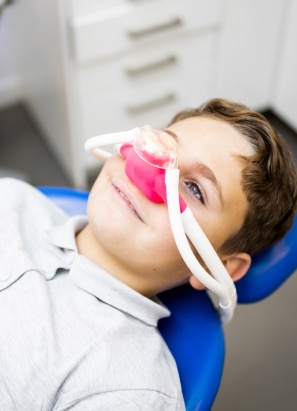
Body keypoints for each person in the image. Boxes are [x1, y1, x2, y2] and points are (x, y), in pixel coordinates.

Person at [0, 98, 296, 410]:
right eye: (160, 147)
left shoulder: (130, 389)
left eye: (195, 189)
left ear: (219, 266)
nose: (146, 175)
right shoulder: (12, 200)